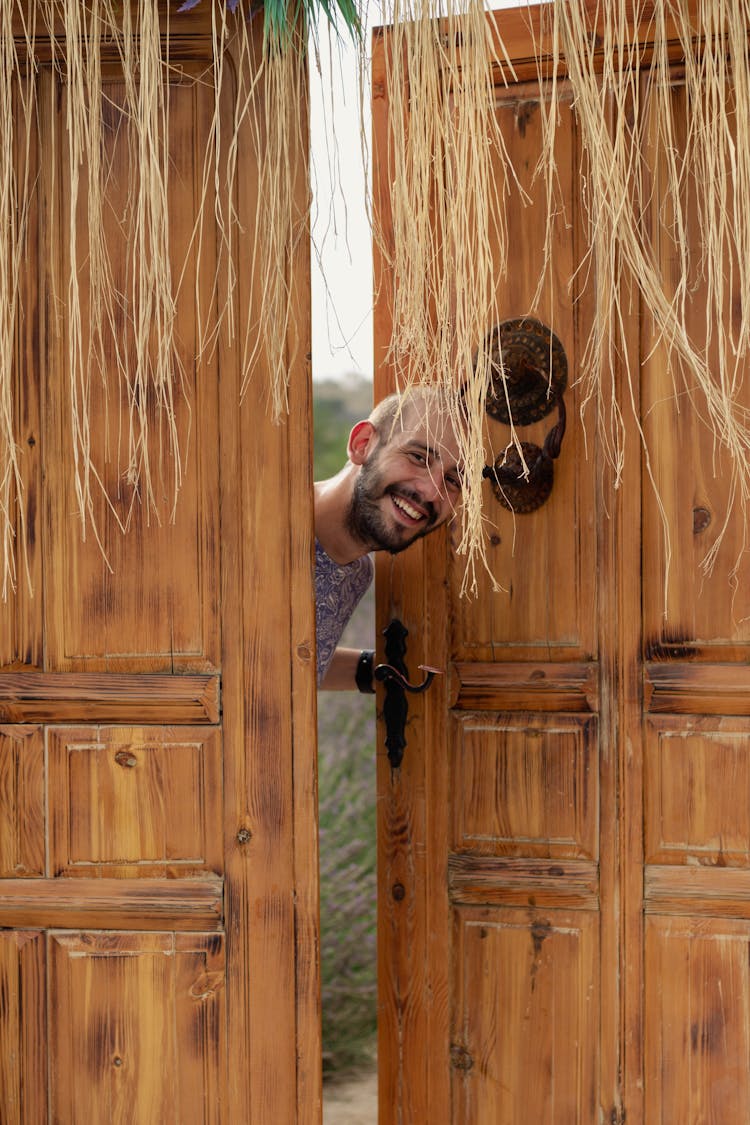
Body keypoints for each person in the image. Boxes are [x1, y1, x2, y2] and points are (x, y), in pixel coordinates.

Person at [314, 387, 463, 691]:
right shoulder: (261, 524)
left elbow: (298, 663)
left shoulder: (355, 574)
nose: (432, 492)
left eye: (453, 480)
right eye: (418, 457)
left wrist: (385, 672)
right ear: (362, 444)